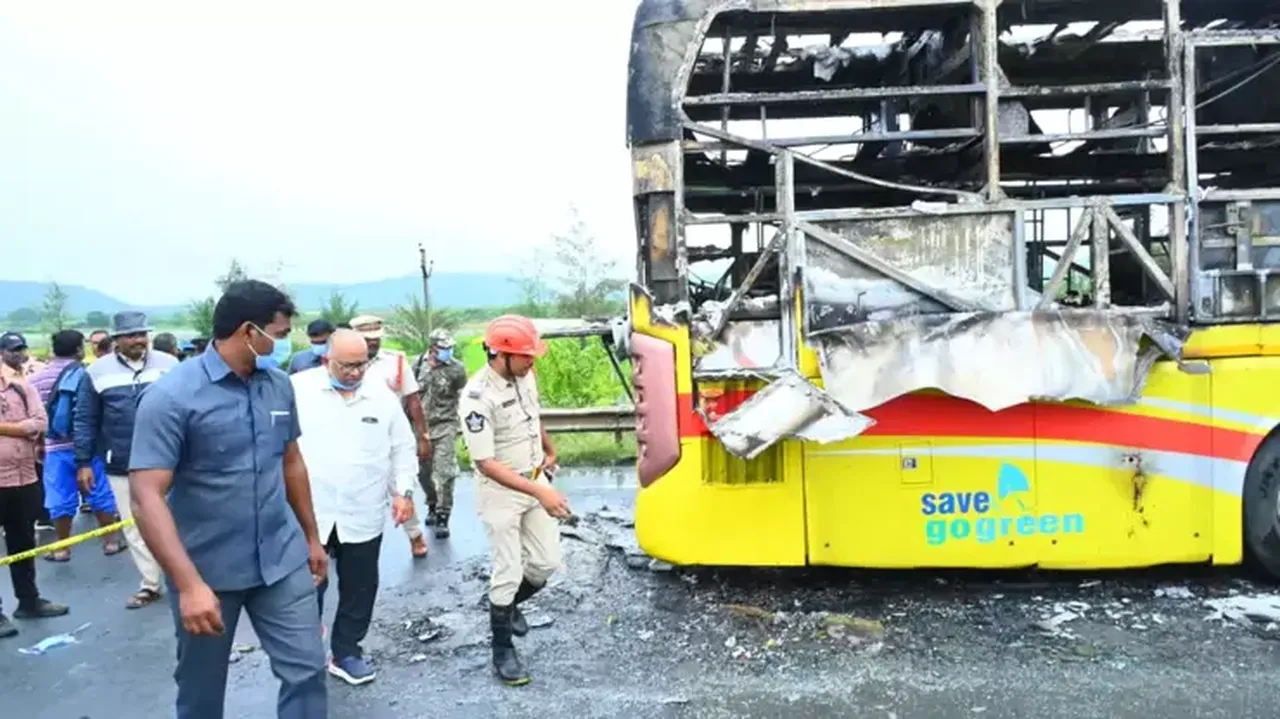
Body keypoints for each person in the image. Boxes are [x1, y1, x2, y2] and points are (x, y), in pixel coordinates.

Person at [128, 279, 328, 719]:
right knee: (201, 690)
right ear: (247, 331)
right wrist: (188, 584)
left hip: (281, 560)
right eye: (277, 334)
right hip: (208, 571)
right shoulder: (170, 398)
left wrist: (311, 538)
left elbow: (291, 461)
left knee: (308, 671)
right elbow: (146, 496)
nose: (282, 342)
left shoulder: (277, 385)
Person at [291, 329, 415, 685]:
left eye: (361, 364)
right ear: (326, 359)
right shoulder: (298, 389)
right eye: (346, 365)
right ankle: (304, 644)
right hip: (309, 510)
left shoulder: (381, 395)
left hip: (363, 507)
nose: (355, 373)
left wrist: (403, 492)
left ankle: (346, 651)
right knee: (305, 583)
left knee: (360, 585)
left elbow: (402, 448)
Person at [457, 315, 571, 686]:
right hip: (502, 493)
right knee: (507, 571)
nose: (532, 361)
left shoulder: (526, 377)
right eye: (525, 356)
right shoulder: (477, 399)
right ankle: (502, 652)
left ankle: (507, 606)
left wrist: (548, 450)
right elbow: (485, 463)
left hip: (536, 479)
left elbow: (531, 416)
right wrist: (542, 491)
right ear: (500, 354)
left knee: (545, 563)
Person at [74, 311, 178, 609]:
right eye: (131, 336)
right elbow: (85, 418)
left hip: (169, 458)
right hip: (121, 460)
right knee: (135, 524)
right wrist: (83, 461)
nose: (138, 341)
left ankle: (185, 577)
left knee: (178, 518)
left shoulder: (170, 365)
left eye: (142, 334)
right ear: (117, 340)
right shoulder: (96, 372)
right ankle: (151, 584)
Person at [29, 330, 122, 560]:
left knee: (59, 498)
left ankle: (62, 547)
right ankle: (110, 542)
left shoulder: (36, 379)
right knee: (99, 492)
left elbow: (37, 417)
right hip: (89, 446)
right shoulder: (88, 374)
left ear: (53, 349)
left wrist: (40, 443)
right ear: (80, 349)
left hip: (54, 447)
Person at [0, 332, 69, 640]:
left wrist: (15, 428)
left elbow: (40, 423)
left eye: (21, 350)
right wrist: (23, 429)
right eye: (11, 352)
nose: (18, 357)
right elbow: (30, 427)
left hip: (25, 476)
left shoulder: (24, 386)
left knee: (24, 543)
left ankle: (28, 601)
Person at [350, 314, 431, 558]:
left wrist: (422, 435)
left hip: (391, 436)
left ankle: (415, 535)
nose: (373, 343)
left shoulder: (395, 362)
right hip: (357, 438)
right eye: (367, 339)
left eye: (376, 338)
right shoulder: (343, 364)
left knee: (402, 488)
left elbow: (413, 400)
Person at [407, 328, 467, 539]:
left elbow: (462, 393)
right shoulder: (415, 366)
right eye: (443, 348)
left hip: (445, 425)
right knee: (423, 473)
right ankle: (432, 502)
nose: (447, 351)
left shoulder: (457, 369)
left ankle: (443, 515)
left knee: (445, 472)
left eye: (450, 348)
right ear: (432, 347)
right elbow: (408, 397)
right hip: (420, 428)